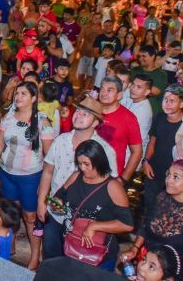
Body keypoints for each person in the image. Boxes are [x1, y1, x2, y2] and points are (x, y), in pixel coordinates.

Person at [37, 96, 117, 259]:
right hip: (54, 212)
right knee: (51, 257)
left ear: (96, 122)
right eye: (78, 110)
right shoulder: (60, 141)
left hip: (83, 221)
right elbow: (47, 172)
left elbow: (110, 189)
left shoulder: (105, 151)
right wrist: (41, 202)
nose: (79, 115)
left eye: (86, 113)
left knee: (73, 263)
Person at [0, 81, 55, 270]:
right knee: (9, 213)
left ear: (34, 98)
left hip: (30, 178)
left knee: (30, 216)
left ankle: (35, 256)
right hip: (7, 173)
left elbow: (50, 158)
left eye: (23, 94)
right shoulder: (8, 117)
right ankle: (9, 245)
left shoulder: (43, 121)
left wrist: (48, 184)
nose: (18, 97)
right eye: (17, 93)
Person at [120, 160, 183, 279]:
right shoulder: (162, 197)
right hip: (146, 265)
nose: (168, 180)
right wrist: (135, 248)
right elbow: (145, 225)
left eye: (175, 177)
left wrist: (181, 277)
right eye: (168, 174)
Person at [56, 139, 134, 271]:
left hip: (97, 253)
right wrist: (57, 202)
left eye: (86, 164)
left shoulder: (113, 187)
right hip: (71, 244)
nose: (82, 168)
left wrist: (95, 226)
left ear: (98, 161)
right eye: (79, 163)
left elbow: (127, 224)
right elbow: (59, 196)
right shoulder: (76, 176)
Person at [143, 85, 183, 209]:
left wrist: (175, 174)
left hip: (173, 175)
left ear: (182, 104)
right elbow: (152, 141)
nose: (167, 104)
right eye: (165, 99)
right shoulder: (160, 117)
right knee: (149, 205)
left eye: (172, 101)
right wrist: (146, 161)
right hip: (153, 170)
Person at [96, 76, 143, 182]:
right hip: (85, 172)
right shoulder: (91, 111)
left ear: (119, 95)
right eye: (102, 89)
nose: (104, 93)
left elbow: (137, 151)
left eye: (110, 90)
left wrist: (123, 179)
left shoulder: (128, 118)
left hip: (111, 176)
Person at [130, 45, 168, 114]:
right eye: (139, 56)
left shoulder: (160, 74)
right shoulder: (134, 70)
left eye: (144, 56)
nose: (140, 59)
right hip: (131, 108)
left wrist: (133, 86)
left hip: (151, 110)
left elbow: (155, 91)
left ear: (153, 56)